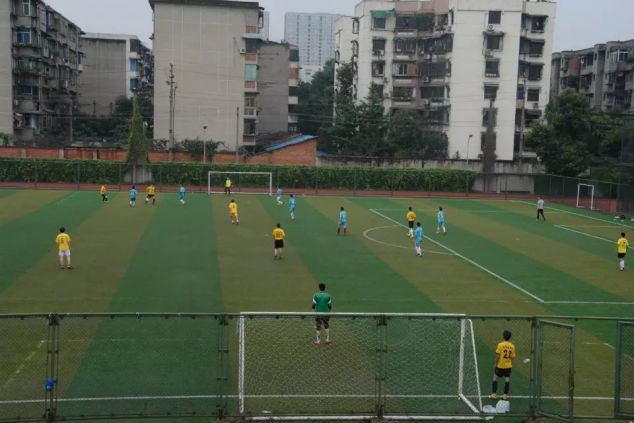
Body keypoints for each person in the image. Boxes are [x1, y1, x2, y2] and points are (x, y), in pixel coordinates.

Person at [489, 330, 516, 401]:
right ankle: (505, 395)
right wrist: (511, 363)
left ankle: (494, 394)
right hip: (508, 366)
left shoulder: (500, 345)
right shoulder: (512, 346)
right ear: (510, 337)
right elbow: (513, 357)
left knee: (495, 378)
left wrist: (495, 363)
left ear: (503, 336)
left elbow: (498, 355)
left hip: (500, 365)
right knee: (507, 379)